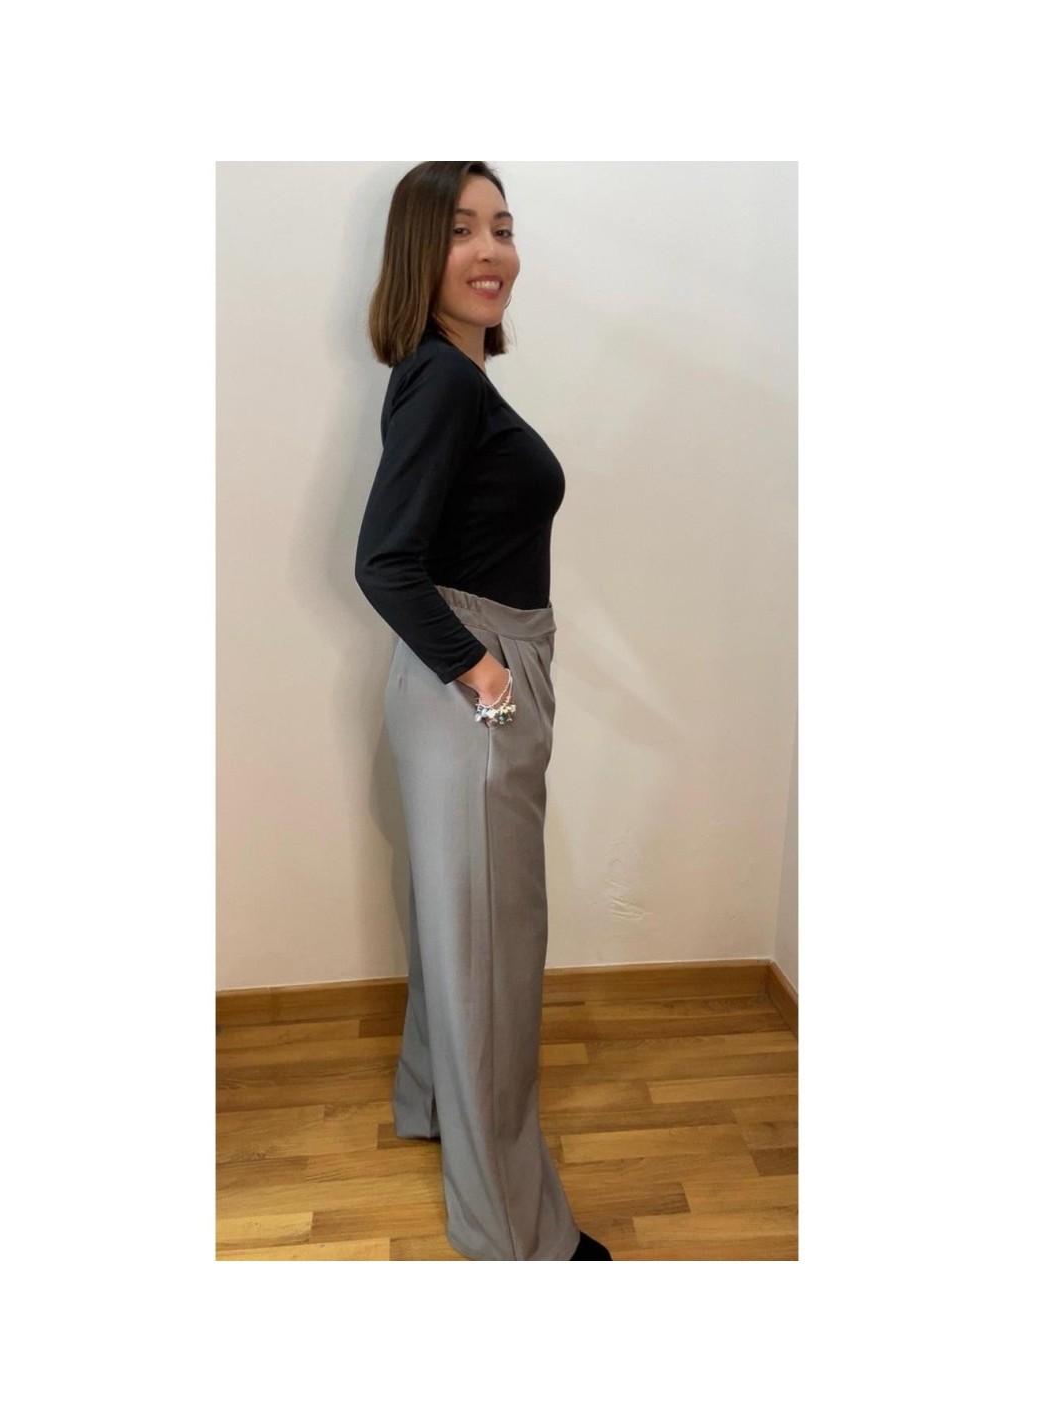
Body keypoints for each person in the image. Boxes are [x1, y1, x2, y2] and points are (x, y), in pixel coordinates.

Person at [355, 161, 612, 1262]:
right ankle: (517, 1236)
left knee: (458, 934)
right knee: (493, 957)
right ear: (423, 251)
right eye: (463, 230)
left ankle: (430, 1106)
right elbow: (383, 561)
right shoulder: (445, 383)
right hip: (470, 684)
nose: (491, 250)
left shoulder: (445, 376)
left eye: (502, 227)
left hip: (455, 682)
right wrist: (488, 676)